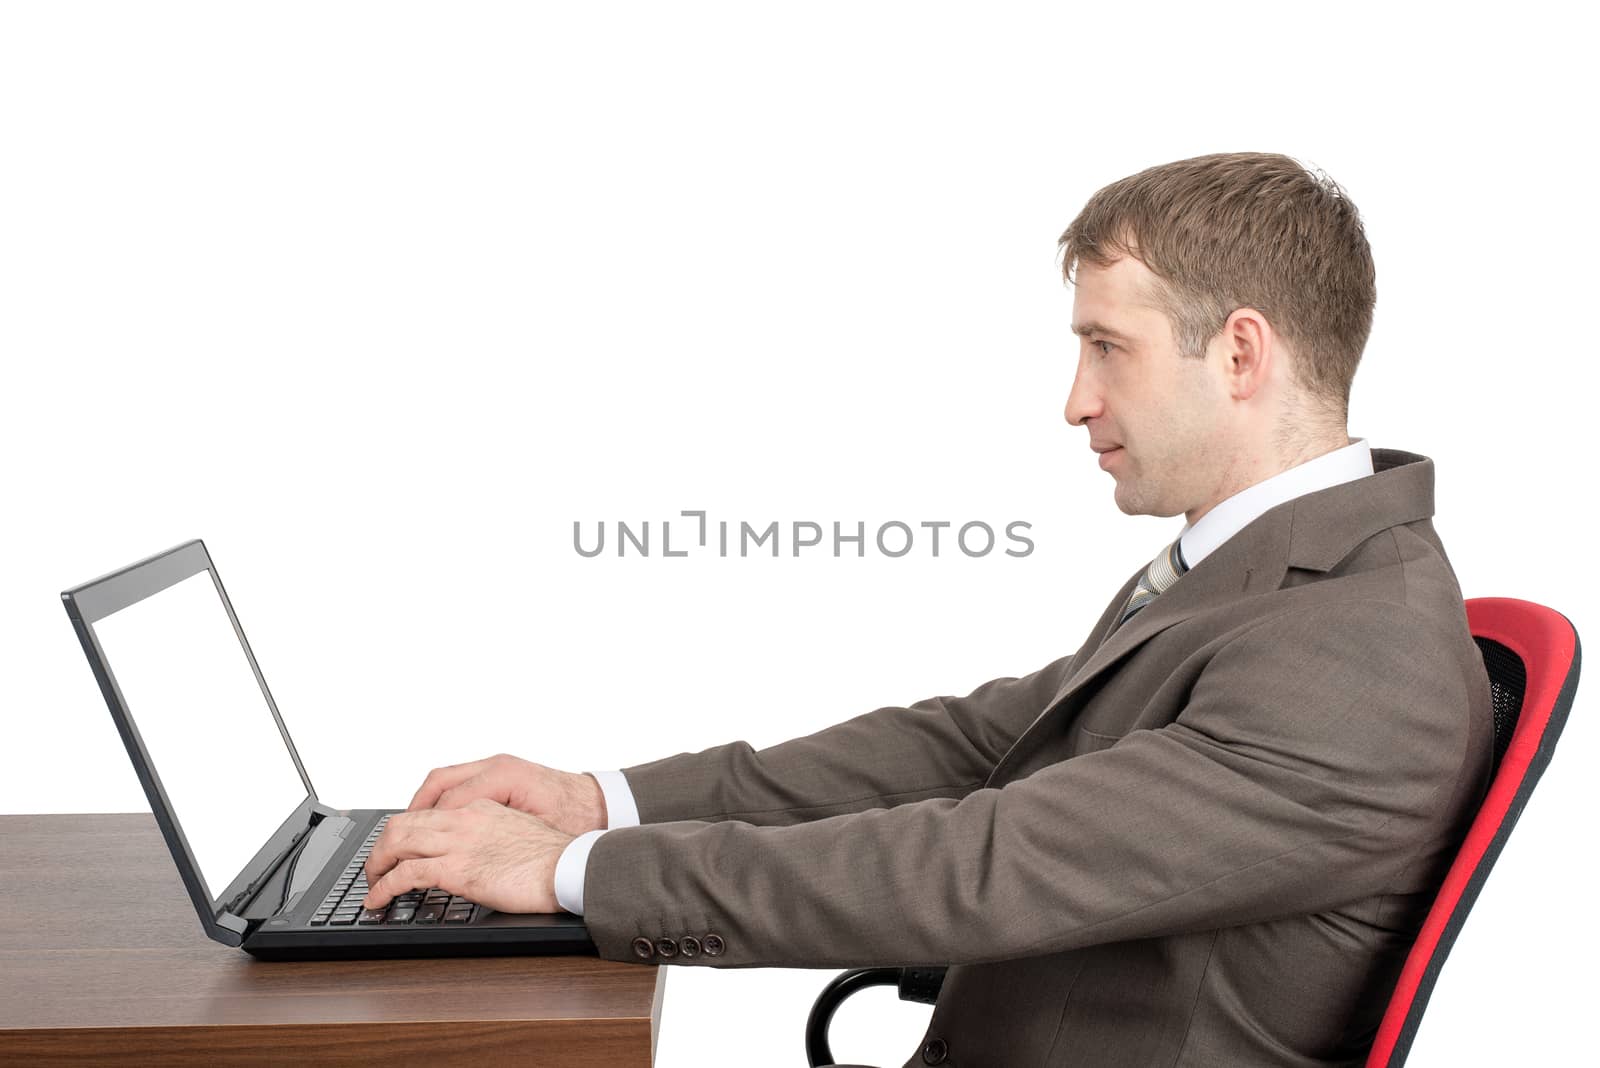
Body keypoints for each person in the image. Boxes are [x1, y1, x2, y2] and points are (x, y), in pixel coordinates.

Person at [361, 151, 1493, 1066]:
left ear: (1239, 352)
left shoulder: (1360, 649)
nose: (1075, 401)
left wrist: (566, 875)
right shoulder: (1259, 578)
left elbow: (979, 866)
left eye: (1107, 347)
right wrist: (596, 802)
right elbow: (970, 746)